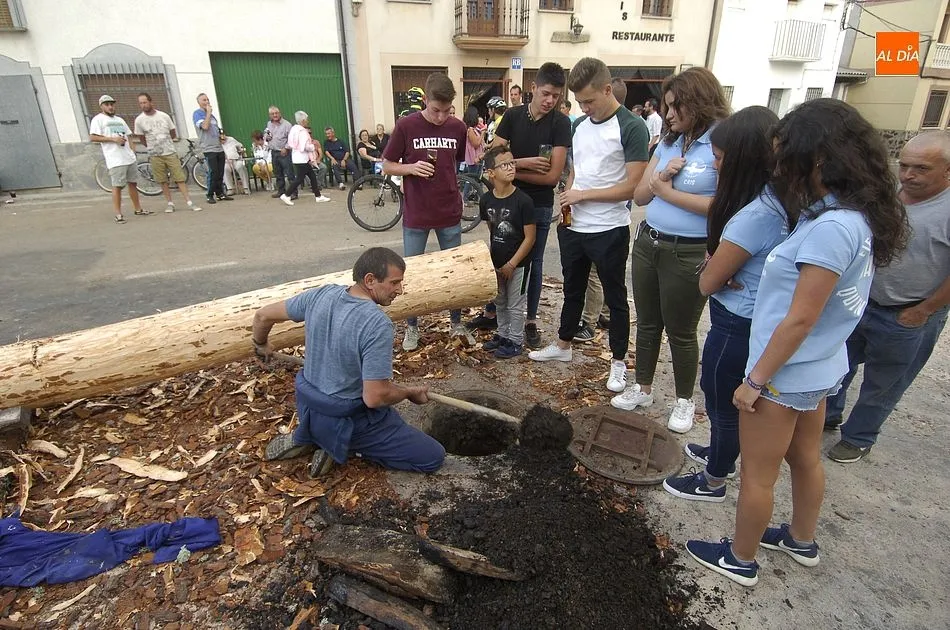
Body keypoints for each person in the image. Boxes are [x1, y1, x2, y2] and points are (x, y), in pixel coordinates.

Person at [685, 98, 908, 588]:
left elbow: (800, 318)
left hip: (785, 374)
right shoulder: (850, 216)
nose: (779, 165)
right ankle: (801, 539)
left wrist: (755, 381)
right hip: (821, 367)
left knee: (759, 475)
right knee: (805, 458)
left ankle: (740, 558)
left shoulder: (830, 229)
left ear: (820, 159)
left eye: (787, 154)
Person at [661, 106, 785, 503]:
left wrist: (714, 265)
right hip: (752, 314)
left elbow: (708, 282)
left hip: (737, 319)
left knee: (722, 398)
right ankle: (720, 453)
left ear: (744, 160)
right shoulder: (780, 200)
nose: (714, 167)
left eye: (718, 159)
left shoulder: (755, 215)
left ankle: (714, 478)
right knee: (724, 398)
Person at [253, 247, 446, 477]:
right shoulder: (376, 324)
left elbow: (262, 316)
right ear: (370, 280)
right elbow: (375, 397)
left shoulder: (320, 295)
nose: (400, 290)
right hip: (347, 421)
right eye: (394, 283)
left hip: (308, 407)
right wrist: (408, 393)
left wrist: (260, 343)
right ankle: (343, 445)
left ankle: (313, 436)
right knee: (433, 457)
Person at [613, 67, 728, 433]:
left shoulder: (720, 144)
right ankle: (643, 387)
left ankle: (683, 401)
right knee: (647, 322)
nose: (670, 114)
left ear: (701, 101)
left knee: (680, 330)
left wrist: (669, 192)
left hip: (689, 251)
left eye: (678, 106)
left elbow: (722, 207)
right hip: (649, 241)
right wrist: (661, 178)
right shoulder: (668, 141)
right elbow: (640, 195)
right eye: (667, 106)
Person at [825, 131, 950, 462]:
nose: (908, 175)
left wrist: (925, 310)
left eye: (921, 168)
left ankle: (859, 437)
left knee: (884, 382)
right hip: (860, 300)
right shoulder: (889, 194)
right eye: (905, 166)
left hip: (907, 314)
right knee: (838, 363)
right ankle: (828, 415)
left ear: (948, 171)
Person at [528, 57, 649, 394]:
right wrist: (569, 192)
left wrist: (584, 196)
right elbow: (577, 168)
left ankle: (619, 362)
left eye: (590, 101)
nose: (584, 107)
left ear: (608, 90)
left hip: (609, 228)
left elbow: (634, 187)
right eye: (579, 102)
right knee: (572, 288)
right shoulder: (579, 125)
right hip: (574, 225)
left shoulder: (631, 126)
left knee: (615, 297)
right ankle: (564, 345)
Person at [472, 63, 571, 351]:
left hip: (538, 205)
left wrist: (510, 166)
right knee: (500, 253)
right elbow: (493, 156)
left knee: (533, 264)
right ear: (533, 89)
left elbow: (552, 176)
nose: (550, 100)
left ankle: (528, 321)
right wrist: (523, 164)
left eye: (556, 95)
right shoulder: (513, 116)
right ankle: (498, 316)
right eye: (546, 93)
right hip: (503, 199)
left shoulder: (560, 123)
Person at [382, 73, 469, 351]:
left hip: (449, 211)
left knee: (453, 270)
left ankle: (456, 321)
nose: (442, 117)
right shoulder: (406, 126)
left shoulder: (458, 127)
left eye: (447, 111)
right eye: (435, 110)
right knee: (409, 274)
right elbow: (386, 165)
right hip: (417, 214)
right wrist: (410, 168)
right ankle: (411, 327)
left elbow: (454, 165)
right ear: (425, 101)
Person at [479, 146, 537, 358]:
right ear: (491, 172)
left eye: (512, 163)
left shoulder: (523, 201)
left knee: (515, 304)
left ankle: (515, 340)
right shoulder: (486, 200)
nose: (510, 168)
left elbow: (530, 237)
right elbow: (492, 230)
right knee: (500, 301)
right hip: (497, 261)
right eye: (504, 165)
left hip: (519, 264)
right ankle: (502, 334)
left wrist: (512, 263)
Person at [133, 92, 200, 213]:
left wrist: (167, 142)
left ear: (151, 102)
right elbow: (141, 137)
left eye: (145, 102)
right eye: (141, 103)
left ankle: (189, 202)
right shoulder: (139, 120)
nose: (143, 105)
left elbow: (172, 132)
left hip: (169, 152)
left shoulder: (164, 116)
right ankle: (170, 203)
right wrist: (150, 146)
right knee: (162, 180)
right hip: (155, 154)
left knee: (179, 177)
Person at [90, 94, 151, 223]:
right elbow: (93, 137)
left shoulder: (119, 120)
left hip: (128, 157)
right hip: (115, 158)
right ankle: (118, 213)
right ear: (102, 106)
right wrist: (112, 139)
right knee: (117, 186)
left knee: (133, 183)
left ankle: (138, 209)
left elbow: (129, 135)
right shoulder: (98, 119)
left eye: (112, 104)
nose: (110, 107)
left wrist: (132, 151)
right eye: (107, 105)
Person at [279, 111, 331, 206]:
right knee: (299, 178)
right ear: (303, 120)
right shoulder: (302, 132)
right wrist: (312, 147)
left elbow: (292, 144)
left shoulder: (294, 129)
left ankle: (318, 196)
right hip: (302, 158)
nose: (307, 121)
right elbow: (304, 146)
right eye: (306, 119)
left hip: (297, 157)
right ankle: (286, 195)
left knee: (312, 176)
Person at [192, 93, 232, 204]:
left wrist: (221, 136)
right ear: (199, 102)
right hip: (208, 148)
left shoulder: (213, 117)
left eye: (208, 99)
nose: (207, 102)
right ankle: (209, 195)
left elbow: (216, 130)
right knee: (213, 172)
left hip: (218, 147)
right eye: (204, 100)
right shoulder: (198, 114)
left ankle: (220, 193)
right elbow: (204, 126)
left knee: (220, 172)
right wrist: (208, 113)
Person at [265, 106, 294, 199]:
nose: (275, 115)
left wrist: (286, 148)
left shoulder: (287, 125)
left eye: (276, 113)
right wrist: (266, 137)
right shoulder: (269, 124)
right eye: (272, 114)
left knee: (289, 174)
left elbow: (292, 139)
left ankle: (293, 192)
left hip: (284, 152)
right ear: (270, 115)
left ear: (280, 113)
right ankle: (281, 191)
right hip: (274, 152)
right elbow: (267, 134)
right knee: (278, 174)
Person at [220, 131, 249, 195]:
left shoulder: (231, 139)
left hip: (236, 159)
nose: (223, 139)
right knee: (225, 169)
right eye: (221, 138)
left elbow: (240, 146)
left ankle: (246, 187)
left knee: (240, 166)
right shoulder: (217, 144)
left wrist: (241, 151)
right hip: (226, 161)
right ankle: (230, 188)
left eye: (224, 136)